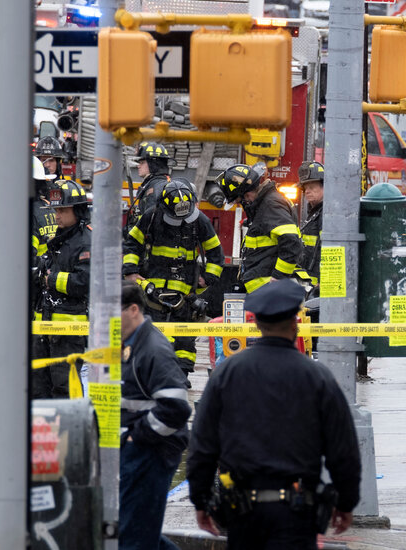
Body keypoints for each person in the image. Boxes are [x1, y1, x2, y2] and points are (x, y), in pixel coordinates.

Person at [187, 279, 362, 548]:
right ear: (295, 323)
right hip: (298, 513)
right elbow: (344, 450)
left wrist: (200, 501)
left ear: (256, 324)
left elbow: (203, 444)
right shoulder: (317, 377)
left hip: (242, 513)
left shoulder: (226, 374)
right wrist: (346, 503)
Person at [123, 177, 224, 382]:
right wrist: (131, 271)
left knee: (185, 335)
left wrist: (208, 277)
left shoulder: (199, 220)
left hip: (186, 287)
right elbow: (132, 243)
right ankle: (151, 372)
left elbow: (215, 250)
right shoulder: (151, 217)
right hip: (154, 284)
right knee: (154, 330)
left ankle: (182, 374)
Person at [119, 281, 191, 550]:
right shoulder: (131, 344)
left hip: (151, 453)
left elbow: (177, 408)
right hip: (139, 452)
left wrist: (135, 437)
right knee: (135, 529)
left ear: (133, 309)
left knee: (135, 535)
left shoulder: (152, 349)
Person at [32, 179, 91, 398]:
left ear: (78, 210)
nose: (57, 215)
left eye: (62, 210)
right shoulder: (58, 237)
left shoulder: (85, 242)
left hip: (68, 332)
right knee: (39, 389)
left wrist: (52, 279)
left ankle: (70, 432)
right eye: (56, 210)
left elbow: (85, 281)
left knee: (65, 389)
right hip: (44, 328)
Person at [215, 162, 302, 294]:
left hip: (269, 292)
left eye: (241, 200)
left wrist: (279, 277)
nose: (245, 203)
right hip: (263, 292)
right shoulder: (265, 204)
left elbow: (292, 242)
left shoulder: (270, 205)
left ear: (247, 194)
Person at [125, 141, 173, 235]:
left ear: (154, 164)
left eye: (142, 162)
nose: (138, 166)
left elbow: (151, 223)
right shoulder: (152, 184)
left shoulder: (156, 188)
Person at [294, 161, 324, 291]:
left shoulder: (326, 213)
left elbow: (327, 249)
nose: (308, 191)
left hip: (319, 284)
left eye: (312, 187)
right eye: (306, 188)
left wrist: (324, 281)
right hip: (310, 282)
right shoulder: (314, 212)